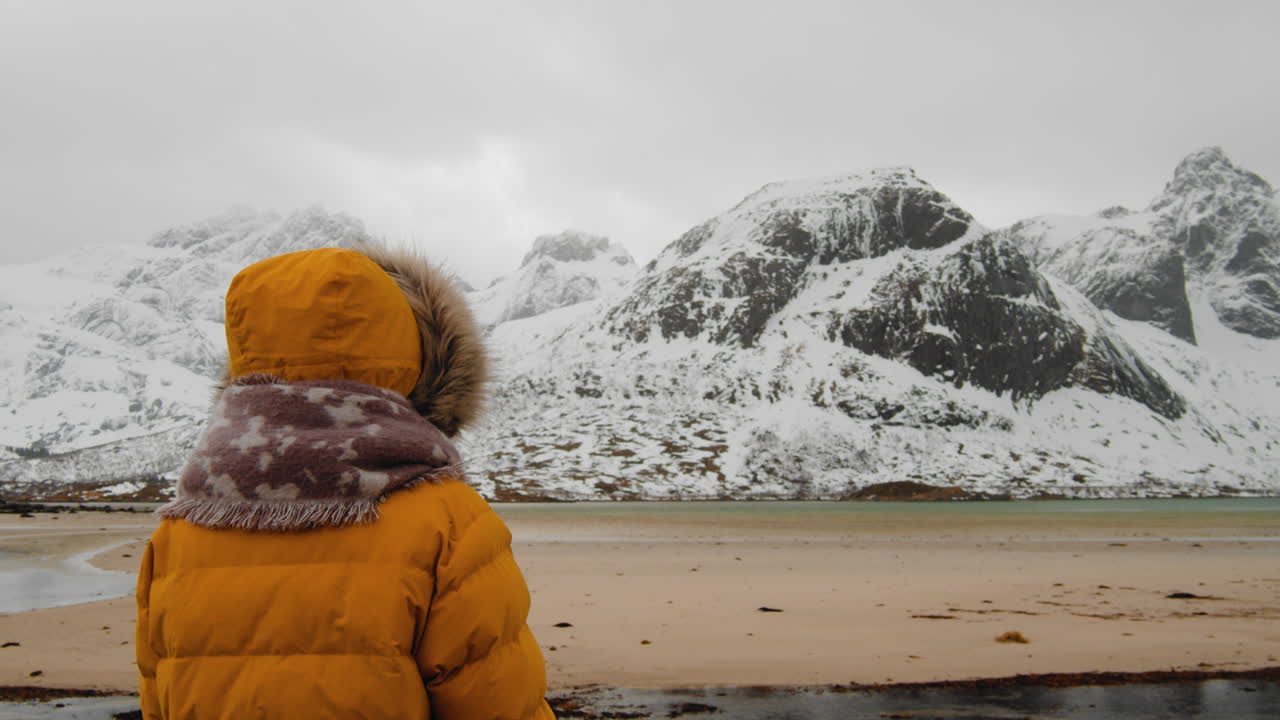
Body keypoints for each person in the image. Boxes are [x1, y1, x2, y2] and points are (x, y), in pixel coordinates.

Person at [135, 244, 554, 720]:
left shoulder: (178, 534)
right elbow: (498, 703)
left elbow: (158, 698)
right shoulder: (449, 521)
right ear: (420, 358)